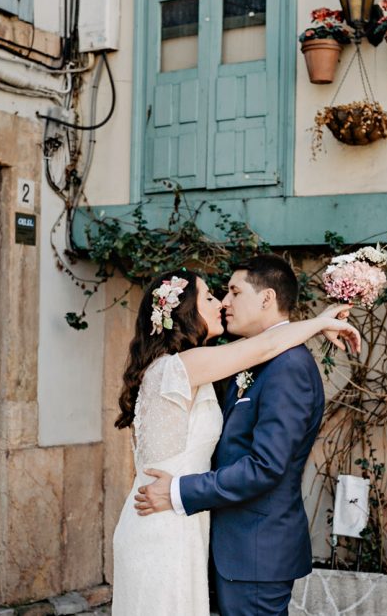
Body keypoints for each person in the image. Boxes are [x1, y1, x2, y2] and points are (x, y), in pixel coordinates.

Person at [111, 263, 358, 616]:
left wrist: (181, 490)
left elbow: (266, 465)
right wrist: (320, 323)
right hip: (166, 525)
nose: (223, 303)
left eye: (231, 293)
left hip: (223, 534)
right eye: (211, 296)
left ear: (267, 298)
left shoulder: (282, 366)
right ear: (185, 312)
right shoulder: (182, 366)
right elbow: (262, 348)